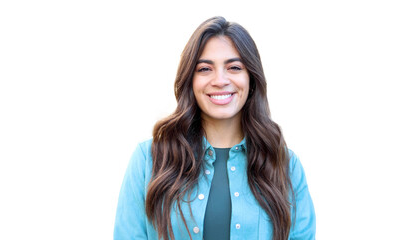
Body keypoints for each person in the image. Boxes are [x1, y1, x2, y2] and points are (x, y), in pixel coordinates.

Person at [114, 16, 315, 240]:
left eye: (234, 67)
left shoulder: (285, 165)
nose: (220, 80)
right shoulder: (149, 159)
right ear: (190, 79)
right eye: (204, 69)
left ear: (251, 79)